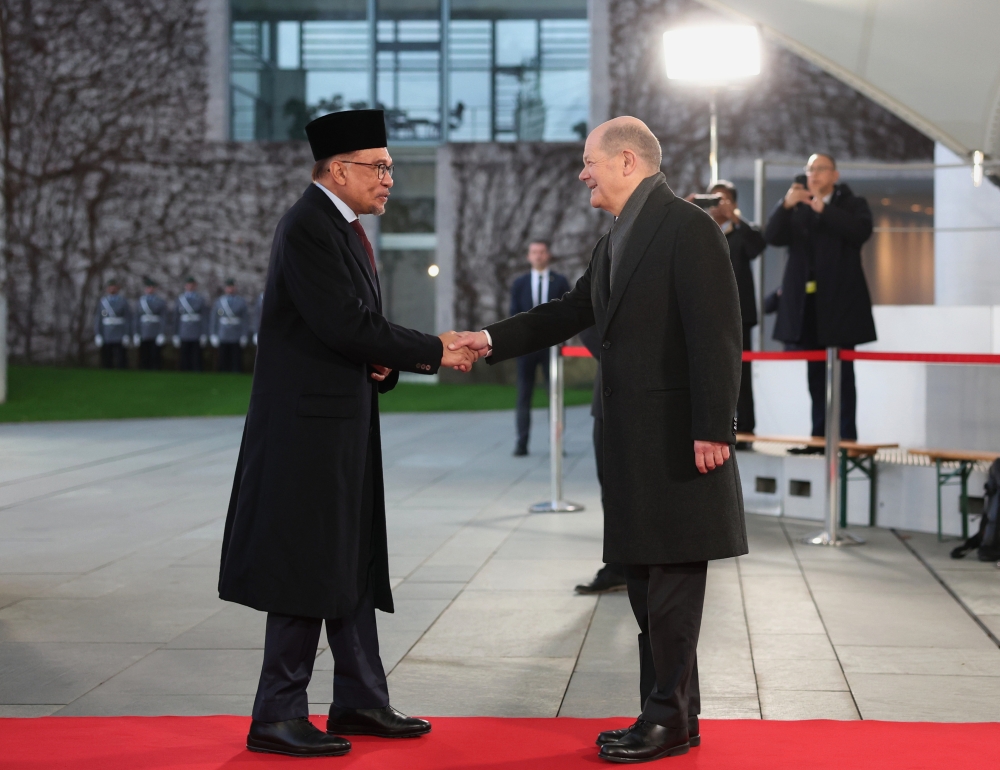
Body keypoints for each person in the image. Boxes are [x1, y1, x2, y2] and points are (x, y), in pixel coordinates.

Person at [449, 116, 745, 763]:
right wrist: (489, 339)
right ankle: (672, 713)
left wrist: (711, 428)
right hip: (633, 444)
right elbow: (569, 311)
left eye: (590, 161)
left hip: (677, 443)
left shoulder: (688, 228)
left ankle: (666, 717)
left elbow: (717, 334)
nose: (583, 172)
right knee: (643, 579)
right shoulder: (617, 238)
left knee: (669, 582)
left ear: (628, 161)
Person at [218, 109, 476, 759]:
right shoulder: (309, 226)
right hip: (307, 436)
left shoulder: (343, 228)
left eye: (389, 166)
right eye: (379, 167)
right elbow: (343, 325)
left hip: (338, 427)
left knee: (349, 559)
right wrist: (432, 349)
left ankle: (360, 700)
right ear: (338, 170)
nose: (389, 178)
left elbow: (350, 330)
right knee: (307, 564)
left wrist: (384, 361)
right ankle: (276, 713)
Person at [764, 153, 875, 448]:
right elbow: (772, 236)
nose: (814, 175)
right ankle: (818, 438)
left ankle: (846, 438)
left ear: (835, 175)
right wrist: (785, 205)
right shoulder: (797, 207)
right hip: (807, 304)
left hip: (840, 304)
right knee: (815, 375)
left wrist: (823, 209)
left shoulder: (852, 204)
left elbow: (860, 232)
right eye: (810, 169)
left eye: (820, 169)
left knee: (842, 375)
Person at [706, 181, 766, 448]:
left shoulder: (741, 231)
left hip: (739, 313)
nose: (718, 204)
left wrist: (736, 218)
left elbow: (758, 246)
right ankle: (713, 426)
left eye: (723, 199)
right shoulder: (700, 230)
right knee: (708, 373)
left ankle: (745, 430)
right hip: (705, 312)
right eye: (713, 199)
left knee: (740, 373)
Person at [574, 325, 626, 595]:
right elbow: (586, 321)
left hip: (661, 401)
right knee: (611, 489)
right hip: (610, 398)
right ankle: (619, 566)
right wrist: (626, 358)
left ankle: (650, 566)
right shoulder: (601, 280)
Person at [508, 240, 571, 456]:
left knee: (554, 395)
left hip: (552, 348)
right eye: (534, 252)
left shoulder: (560, 282)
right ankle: (521, 443)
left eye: (542, 252)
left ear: (548, 254)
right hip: (527, 348)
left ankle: (557, 445)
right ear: (528, 256)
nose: (538, 256)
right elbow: (514, 314)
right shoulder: (520, 283)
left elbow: (567, 313)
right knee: (524, 394)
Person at [210, 279, 250, 373]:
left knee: (236, 357)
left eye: (232, 287)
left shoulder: (241, 301)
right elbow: (214, 319)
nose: (230, 289)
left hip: (236, 332)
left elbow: (245, 320)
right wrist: (213, 334)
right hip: (223, 332)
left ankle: (236, 372)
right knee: (223, 356)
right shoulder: (219, 301)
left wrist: (244, 334)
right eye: (228, 287)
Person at [172, 276, 209, 372]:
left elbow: (204, 317)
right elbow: (176, 318)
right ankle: (184, 370)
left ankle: (196, 370)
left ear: (195, 286)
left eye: (192, 285)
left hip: (196, 330)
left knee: (196, 354)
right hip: (183, 330)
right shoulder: (180, 299)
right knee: (184, 353)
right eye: (188, 285)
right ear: (185, 286)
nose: (190, 287)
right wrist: (175, 333)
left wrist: (204, 333)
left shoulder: (200, 299)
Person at [93, 278, 131, 369]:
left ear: (117, 288)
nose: (112, 289)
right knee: (106, 356)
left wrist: (127, 334)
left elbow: (127, 318)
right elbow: (99, 318)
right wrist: (98, 334)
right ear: (107, 289)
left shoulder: (123, 301)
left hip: (119, 331)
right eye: (110, 287)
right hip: (107, 332)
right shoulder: (103, 302)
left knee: (121, 356)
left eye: (114, 287)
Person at [132, 277, 167, 370]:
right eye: (148, 287)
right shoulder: (140, 301)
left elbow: (163, 318)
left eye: (152, 287)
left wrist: (162, 333)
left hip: (155, 330)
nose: (150, 289)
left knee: (155, 354)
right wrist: (136, 333)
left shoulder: (160, 301)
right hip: (143, 330)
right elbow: (136, 318)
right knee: (144, 354)